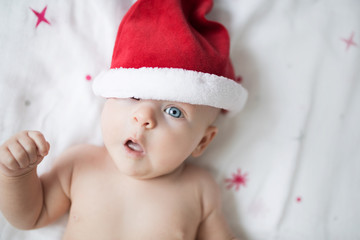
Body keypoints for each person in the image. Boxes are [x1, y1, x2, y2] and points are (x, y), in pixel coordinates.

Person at [0, 0, 248, 239]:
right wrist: (17, 176)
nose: (144, 117)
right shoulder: (81, 163)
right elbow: (31, 216)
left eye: (174, 111)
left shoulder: (199, 189)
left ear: (202, 142)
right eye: (133, 95)